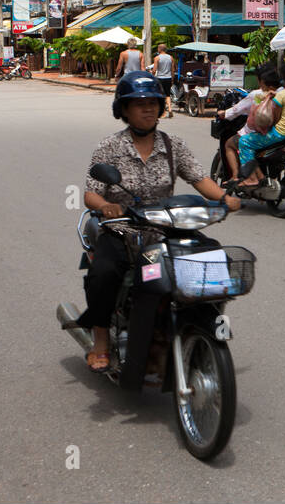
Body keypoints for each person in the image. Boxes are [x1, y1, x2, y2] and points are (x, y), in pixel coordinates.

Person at [78, 73, 240, 373]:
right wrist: (107, 206)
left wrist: (225, 198)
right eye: (139, 104)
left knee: (214, 260)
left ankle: (202, 321)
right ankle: (100, 339)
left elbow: (199, 179)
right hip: (123, 230)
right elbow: (90, 195)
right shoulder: (109, 148)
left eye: (152, 102)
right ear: (124, 110)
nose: (148, 109)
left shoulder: (173, 145)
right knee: (103, 273)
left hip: (168, 228)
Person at [237, 59, 285, 187]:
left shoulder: (281, 95)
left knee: (244, 142)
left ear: (284, 78)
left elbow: (276, 118)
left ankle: (252, 178)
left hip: (280, 135)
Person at [217, 65, 281, 179]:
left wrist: (224, 113)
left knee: (230, 144)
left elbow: (238, 109)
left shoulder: (257, 94)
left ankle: (236, 176)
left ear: (264, 82)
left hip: (260, 135)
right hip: (281, 135)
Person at [150, 44, 175, 117]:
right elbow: (172, 70)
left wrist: (152, 76)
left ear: (160, 49)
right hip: (168, 78)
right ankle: (170, 109)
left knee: (161, 96)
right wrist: (172, 79)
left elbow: (154, 69)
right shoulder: (171, 57)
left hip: (160, 78)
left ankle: (163, 113)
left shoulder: (157, 58)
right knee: (168, 95)